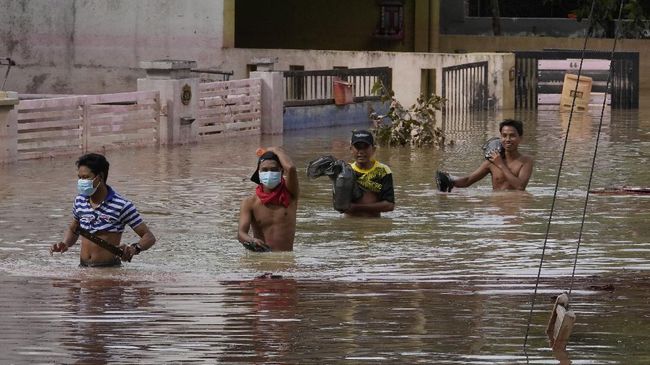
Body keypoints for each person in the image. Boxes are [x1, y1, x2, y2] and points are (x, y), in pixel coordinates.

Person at [50, 153, 156, 266]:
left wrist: (134, 248)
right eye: (79, 178)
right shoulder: (79, 201)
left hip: (108, 270)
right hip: (83, 268)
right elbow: (74, 229)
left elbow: (149, 237)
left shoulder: (122, 205)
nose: (81, 181)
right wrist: (65, 243)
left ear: (100, 176)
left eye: (85, 177)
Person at [441, 119, 533, 191]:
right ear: (500, 138)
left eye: (512, 136)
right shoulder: (492, 161)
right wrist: (449, 180)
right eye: (504, 136)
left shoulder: (526, 161)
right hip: (496, 205)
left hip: (515, 205)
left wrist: (500, 165)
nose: (507, 139)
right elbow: (468, 180)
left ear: (520, 138)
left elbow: (520, 187)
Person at [238, 147, 299, 252]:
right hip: (261, 258)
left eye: (274, 169)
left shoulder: (290, 195)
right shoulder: (249, 203)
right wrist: (251, 240)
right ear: (258, 173)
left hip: (285, 259)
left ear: (281, 171)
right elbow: (241, 233)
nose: (269, 173)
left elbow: (291, 169)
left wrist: (276, 150)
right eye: (265, 170)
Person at [345, 130, 395, 217]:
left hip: (374, 225)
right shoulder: (346, 171)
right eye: (358, 147)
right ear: (351, 149)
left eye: (365, 147)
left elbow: (390, 205)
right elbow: (340, 205)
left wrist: (357, 207)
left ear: (374, 149)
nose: (361, 151)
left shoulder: (383, 170)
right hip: (350, 225)